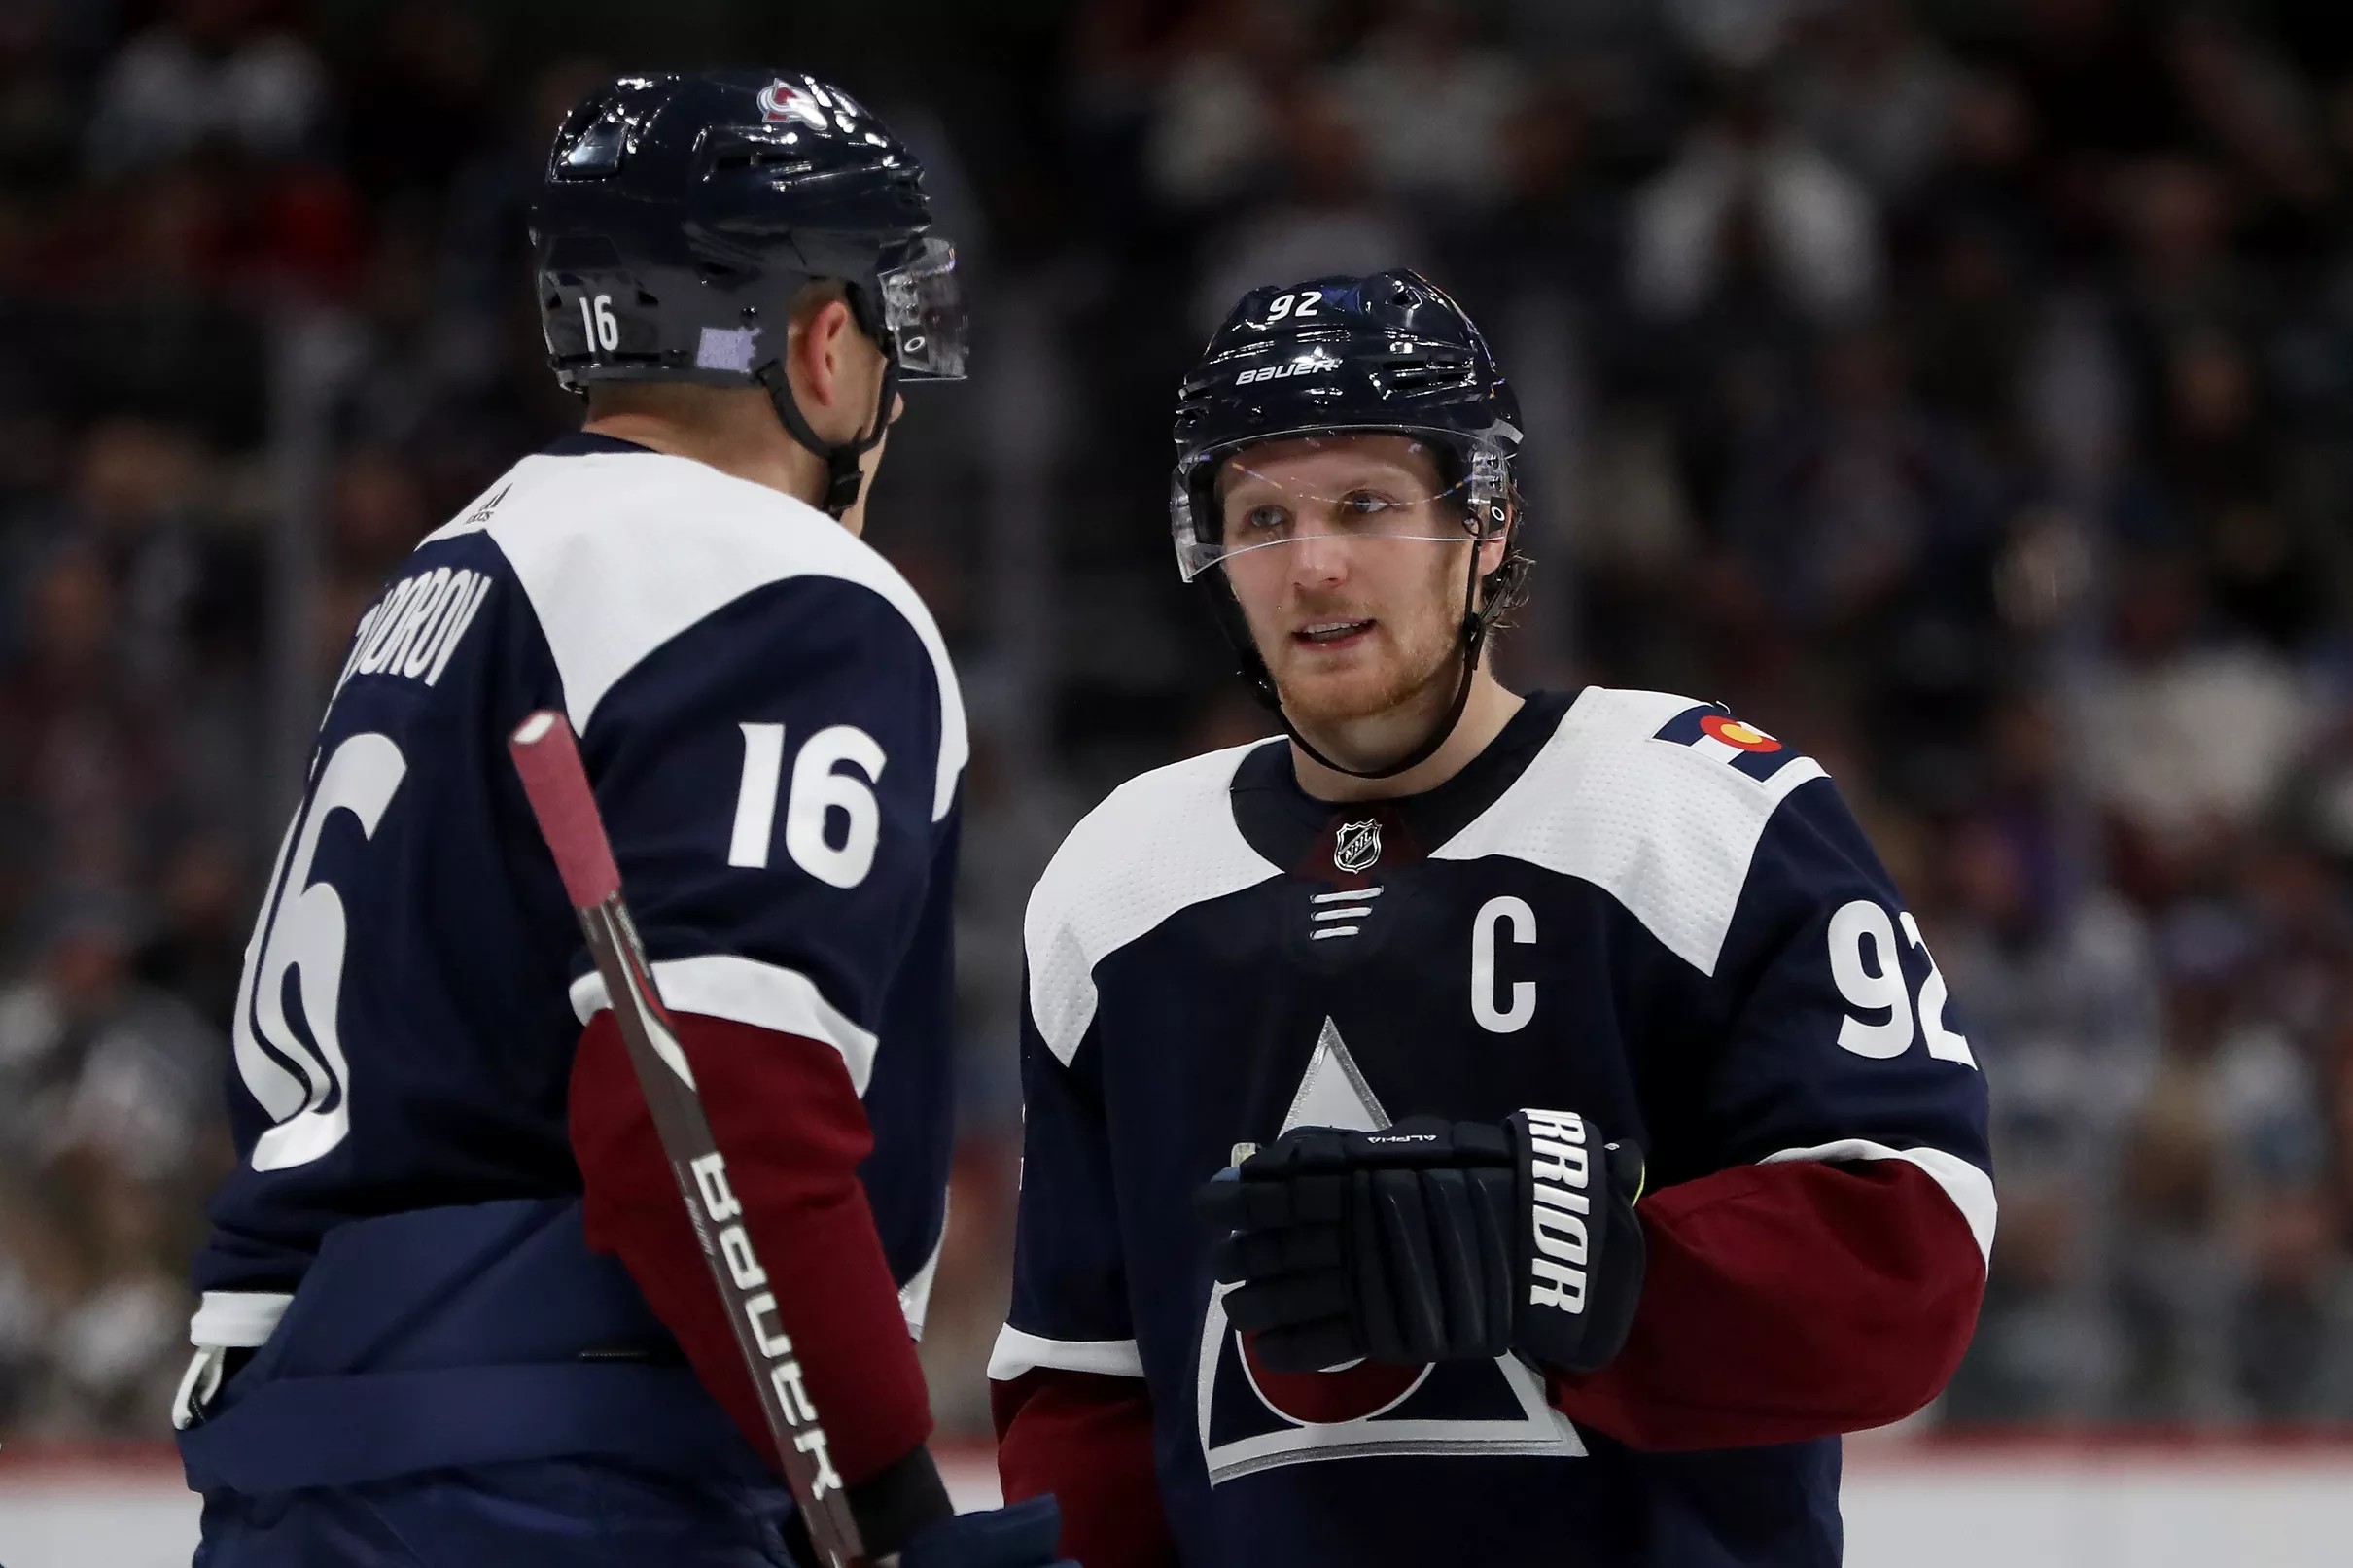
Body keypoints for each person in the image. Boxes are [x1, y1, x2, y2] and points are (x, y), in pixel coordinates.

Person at [174, 71, 1067, 1568]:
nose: (899, 389)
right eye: (888, 324)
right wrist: (887, 1502)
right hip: (574, 1470)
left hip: (304, 1453)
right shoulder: (780, 583)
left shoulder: (454, 567)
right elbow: (712, 1101)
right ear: (822, 341)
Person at [989, 269, 1993, 1567]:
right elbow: (1088, 1384)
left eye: (1366, 504)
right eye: (1262, 516)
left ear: (1491, 517)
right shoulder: (1117, 882)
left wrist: (1587, 1259)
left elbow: (1910, 1261)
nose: (1314, 564)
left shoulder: (1706, 811)